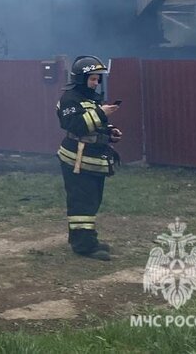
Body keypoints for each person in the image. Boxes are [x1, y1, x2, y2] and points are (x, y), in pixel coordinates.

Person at [56, 55, 123, 261]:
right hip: (76, 159)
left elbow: (93, 126)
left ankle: (86, 238)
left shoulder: (91, 98)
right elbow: (75, 126)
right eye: (93, 79)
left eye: (97, 79)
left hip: (92, 159)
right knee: (82, 204)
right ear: (80, 79)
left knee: (92, 202)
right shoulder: (69, 99)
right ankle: (83, 246)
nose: (96, 83)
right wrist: (101, 114)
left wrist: (109, 132)